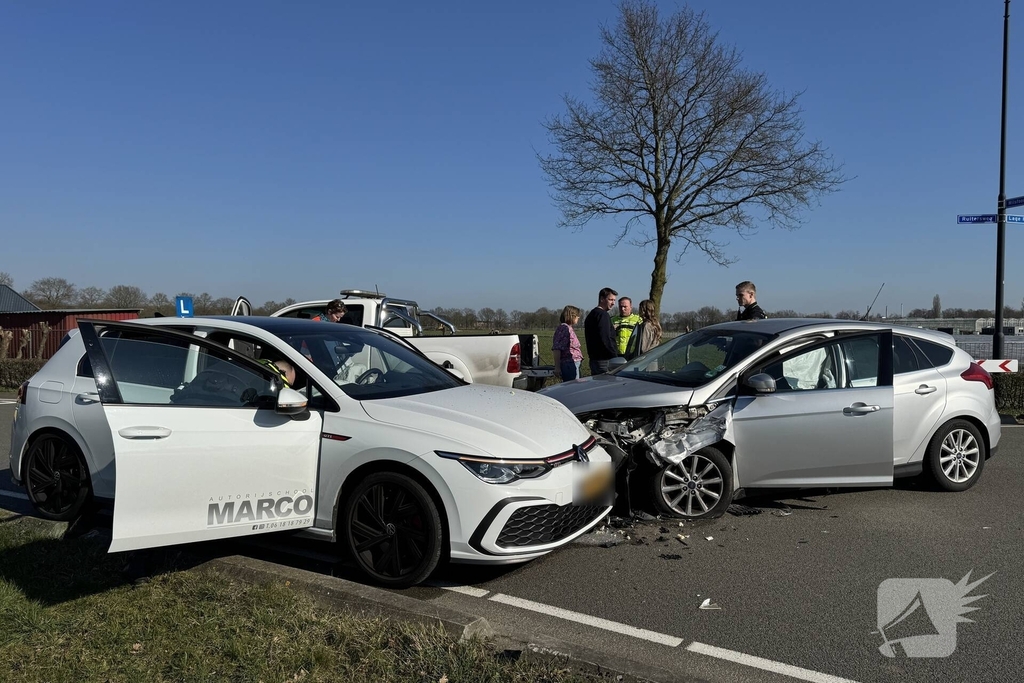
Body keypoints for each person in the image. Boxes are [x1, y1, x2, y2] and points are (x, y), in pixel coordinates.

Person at [583, 287, 619, 375]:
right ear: (602, 299)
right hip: (605, 360)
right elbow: (605, 338)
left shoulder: (591, 314)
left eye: (614, 300)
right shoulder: (603, 315)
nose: (613, 303)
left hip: (594, 359)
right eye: (610, 299)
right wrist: (615, 356)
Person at [552, 305, 583, 381]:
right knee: (573, 388)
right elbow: (557, 348)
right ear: (571, 316)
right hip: (569, 364)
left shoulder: (569, 328)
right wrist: (557, 367)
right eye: (577, 316)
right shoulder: (564, 328)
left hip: (573, 363)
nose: (578, 318)